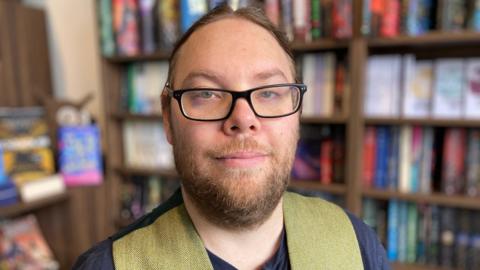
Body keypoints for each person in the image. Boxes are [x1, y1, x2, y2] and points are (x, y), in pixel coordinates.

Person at [74, 4, 390, 270]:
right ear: (168, 118)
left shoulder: (357, 242)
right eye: (208, 93)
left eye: (268, 92)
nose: (243, 119)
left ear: (297, 115)